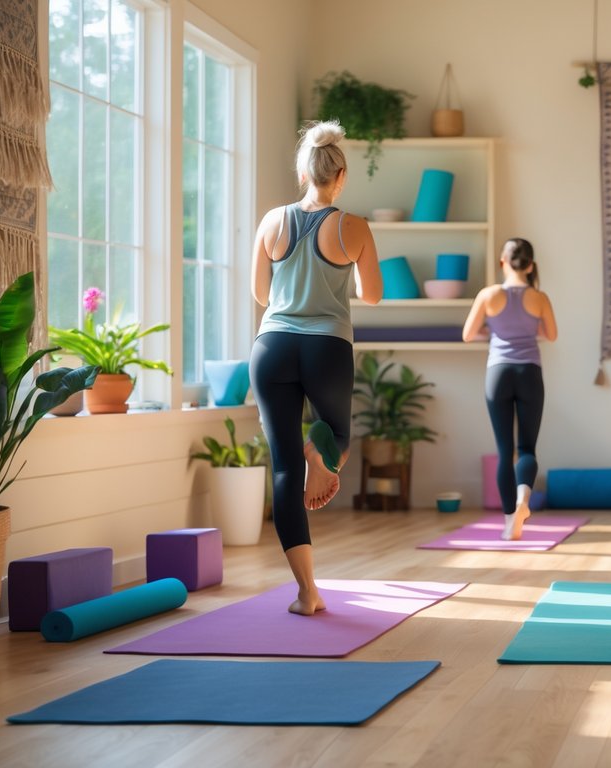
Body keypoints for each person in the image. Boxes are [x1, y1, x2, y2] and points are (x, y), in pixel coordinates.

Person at [250, 120, 383, 615]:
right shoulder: (354, 227)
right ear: (340, 175)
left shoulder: (271, 222)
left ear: (302, 172)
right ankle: (318, 448)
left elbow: (261, 294)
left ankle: (307, 593)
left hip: (272, 347)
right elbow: (372, 294)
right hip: (327, 348)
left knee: (283, 470)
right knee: (339, 440)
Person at [462, 238, 558, 540]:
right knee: (527, 448)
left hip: (498, 373)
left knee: (505, 451)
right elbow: (551, 335)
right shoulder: (539, 298)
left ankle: (508, 522)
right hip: (530, 372)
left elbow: (468, 334)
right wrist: (528, 330)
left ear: (503, 262)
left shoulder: (488, 295)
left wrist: (493, 333)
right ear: (530, 265)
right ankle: (522, 502)